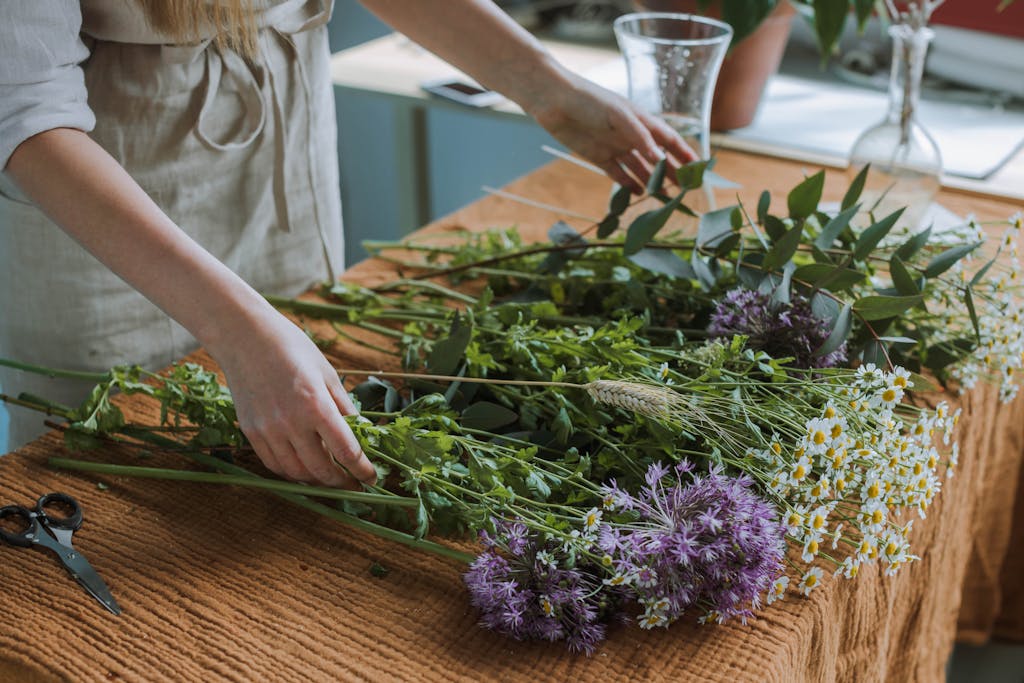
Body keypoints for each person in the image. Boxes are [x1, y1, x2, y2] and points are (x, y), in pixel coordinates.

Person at [0, 0, 693, 488]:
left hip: (280, 153)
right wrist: (237, 329)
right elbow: (24, 111)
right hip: (104, 210)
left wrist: (549, 89)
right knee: (120, 491)